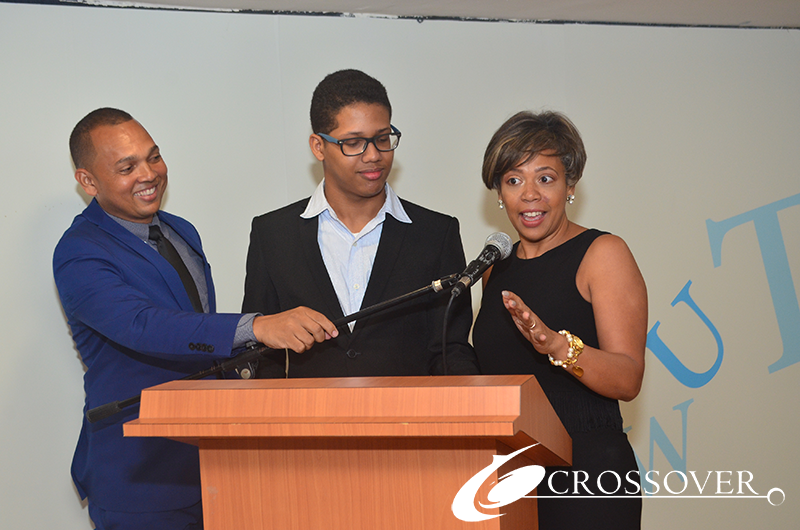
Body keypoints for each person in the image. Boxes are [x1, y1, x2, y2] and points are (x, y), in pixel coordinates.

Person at [53, 108, 338, 530]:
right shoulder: (78, 251)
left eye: (154, 157)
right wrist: (256, 326)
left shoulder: (180, 230)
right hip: (139, 474)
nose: (149, 174)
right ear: (88, 181)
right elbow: (142, 325)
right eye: (127, 168)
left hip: (209, 465)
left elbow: (196, 338)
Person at [472, 111, 647, 528]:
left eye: (545, 178)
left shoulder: (603, 253)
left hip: (588, 475)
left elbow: (628, 379)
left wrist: (556, 346)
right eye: (513, 180)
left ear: (570, 185)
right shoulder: (495, 268)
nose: (529, 194)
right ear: (500, 193)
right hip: (509, 477)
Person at [242, 69, 478, 378]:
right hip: (308, 410)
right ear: (318, 146)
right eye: (354, 143)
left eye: (382, 139)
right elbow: (260, 357)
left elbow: (449, 350)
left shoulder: (436, 233)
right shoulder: (273, 234)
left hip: (409, 410)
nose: (374, 155)